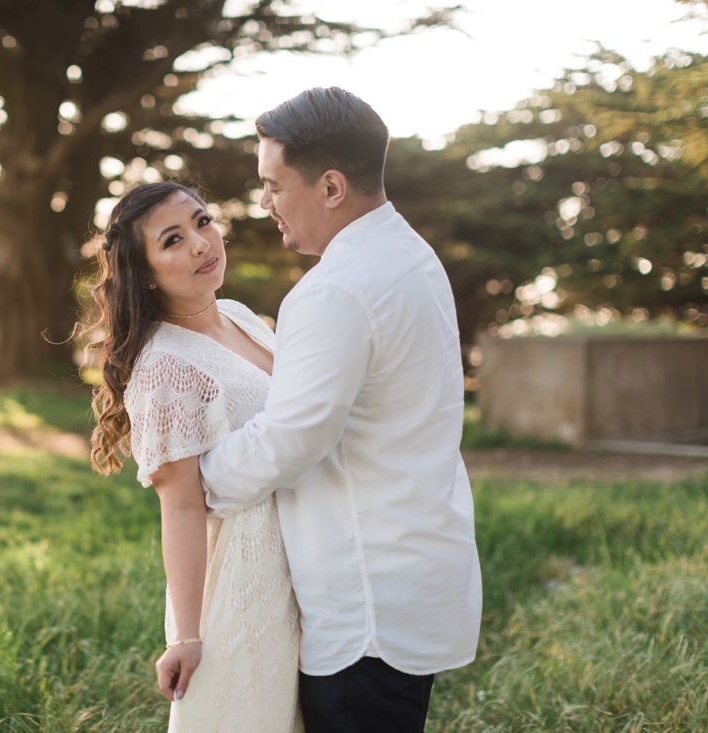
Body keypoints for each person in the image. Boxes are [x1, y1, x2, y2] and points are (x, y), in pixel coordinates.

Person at [199, 87, 483, 733]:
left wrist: (193, 474)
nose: (264, 203)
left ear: (331, 187)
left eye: (274, 185)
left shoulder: (333, 290)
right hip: (413, 572)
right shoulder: (411, 255)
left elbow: (290, 439)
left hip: (364, 603)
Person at [84, 181, 302, 732]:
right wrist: (185, 635)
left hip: (307, 558)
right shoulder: (165, 367)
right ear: (145, 272)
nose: (202, 244)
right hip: (246, 575)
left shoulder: (241, 316)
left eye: (202, 222)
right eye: (173, 240)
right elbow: (180, 506)